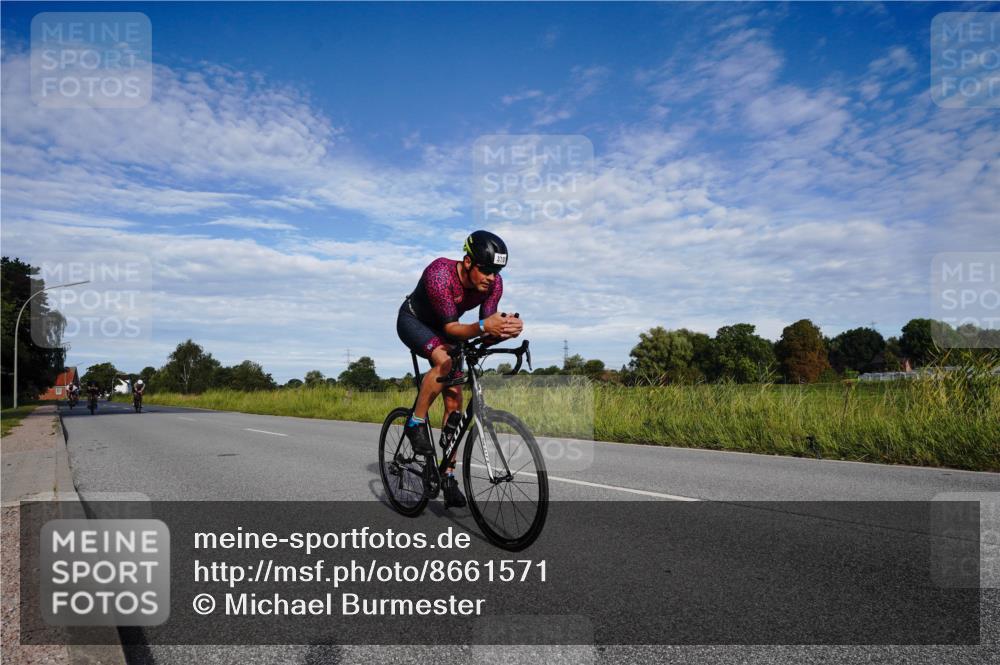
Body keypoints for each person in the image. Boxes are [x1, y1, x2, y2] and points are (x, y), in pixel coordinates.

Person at [396, 230, 523, 507]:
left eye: (497, 271)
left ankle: (448, 476)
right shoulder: (440, 274)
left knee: (454, 399)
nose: (492, 277)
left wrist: (503, 330)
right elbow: (455, 328)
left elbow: (484, 330)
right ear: (468, 262)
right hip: (414, 322)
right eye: (486, 269)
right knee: (445, 362)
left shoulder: (494, 284)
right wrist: (481, 327)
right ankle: (415, 423)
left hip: (449, 327)